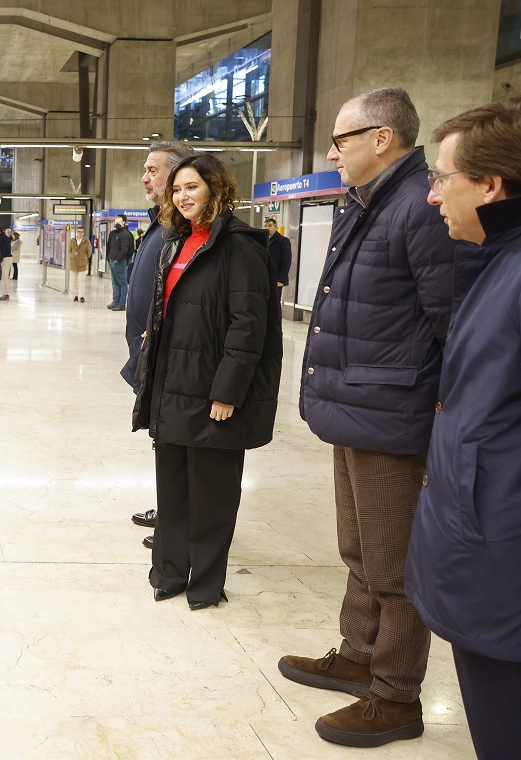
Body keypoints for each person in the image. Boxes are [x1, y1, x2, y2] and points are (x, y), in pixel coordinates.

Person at [279, 87, 456, 749]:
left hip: (395, 413)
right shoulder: (366, 203)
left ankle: (395, 693)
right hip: (357, 408)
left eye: (341, 139)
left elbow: (451, 322)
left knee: (395, 563)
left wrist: (443, 416)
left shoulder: (419, 207)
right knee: (360, 550)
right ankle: (358, 653)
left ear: (383, 137)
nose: (331, 151)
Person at [405, 99, 521, 760]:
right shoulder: (490, 261)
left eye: (442, 177)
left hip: (502, 551)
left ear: (490, 185)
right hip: (483, 544)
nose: (431, 196)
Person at [131, 152, 281, 610]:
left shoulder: (241, 248)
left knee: (212, 494)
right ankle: (170, 573)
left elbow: (247, 328)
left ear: (216, 189)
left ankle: (206, 584)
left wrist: (227, 391)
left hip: (212, 386)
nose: (182, 196)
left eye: (192, 187)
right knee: (172, 489)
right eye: (177, 189)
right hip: (171, 382)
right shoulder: (177, 242)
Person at [123, 142, 198, 547]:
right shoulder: (161, 221)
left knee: (175, 438)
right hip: (150, 353)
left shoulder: (182, 227)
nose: (144, 177)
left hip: (171, 356)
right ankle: (169, 510)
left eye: (152, 170)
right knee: (162, 436)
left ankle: (179, 521)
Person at [105, 216, 136, 311]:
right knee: (115, 283)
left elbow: (125, 249)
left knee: (122, 283)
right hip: (112, 260)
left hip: (120, 262)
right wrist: (108, 257)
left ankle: (122, 303)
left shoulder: (126, 234)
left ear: (124, 223)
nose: (117, 224)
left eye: (119, 222)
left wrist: (118, 260)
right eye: (116, 222)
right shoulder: (113, 234)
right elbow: (109, 246)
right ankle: (115, 301)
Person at [264, 217, 292, 299]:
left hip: (276, 278)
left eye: (269, 226)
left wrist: (281, 279)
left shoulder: (283, 241)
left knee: (275, 302)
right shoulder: (263, 241)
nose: (267, 228)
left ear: (275, 228)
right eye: (265, 226)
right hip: (265, 277)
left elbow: (286, 261)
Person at [67, 225, 91, 302]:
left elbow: (89, 252)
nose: (80, 233)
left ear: (83, 233)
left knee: (81, 280)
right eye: (79, 232)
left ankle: (81, 296)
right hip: (73, 263)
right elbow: (70, 250)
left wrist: (84, 258)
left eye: (81, 232)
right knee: (74, 280)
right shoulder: (72, 241)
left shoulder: (86, 241)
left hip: (82, 264)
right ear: (76, 232)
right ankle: (75, 295)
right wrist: (73, 257)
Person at [0, 225, 14, 301]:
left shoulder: (2, 239)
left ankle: (6, 294)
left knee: (5, 277)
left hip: (5, 258)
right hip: (7, 258)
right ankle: (5, 293)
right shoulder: (5, 238)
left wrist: (0, 258)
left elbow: (3, 250)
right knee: (4, 277)